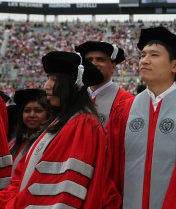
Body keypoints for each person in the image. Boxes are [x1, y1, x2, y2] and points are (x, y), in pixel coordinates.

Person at [106, 26, 176, 208]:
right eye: (143, 55)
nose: (144, 61)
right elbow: (109, 169)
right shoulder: (125, 110)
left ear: (175, 65)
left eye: (154, 55)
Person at [0, 51, 120, 208]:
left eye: (54, 79)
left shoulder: (81, 125)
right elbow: (20, 177)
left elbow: (59, 191)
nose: (46, 86)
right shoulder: (59, 122)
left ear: (72, 84)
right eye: (48, 78)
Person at [75, 41, 133, 126]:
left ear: (113, 66)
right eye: (89, 60)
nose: (93, 63)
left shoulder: (126, 100)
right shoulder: (75, 97)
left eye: (100, 59)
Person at [9, 89, 52, 172]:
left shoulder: (49, 143)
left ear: (48, 114)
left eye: (38, 111)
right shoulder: (15, 142)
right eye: (27, 111)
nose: (32, 115)